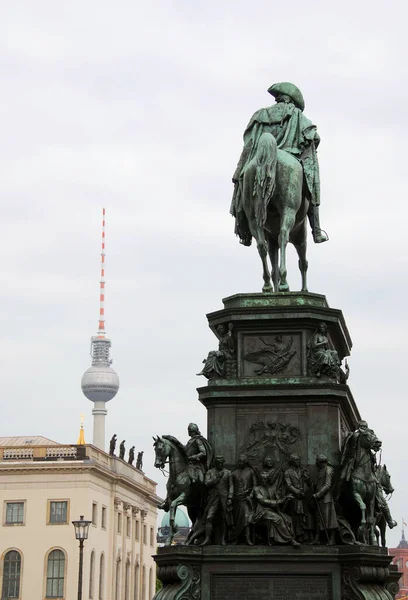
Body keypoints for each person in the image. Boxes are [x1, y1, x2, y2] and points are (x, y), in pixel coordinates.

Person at [231, 81, 328, 245]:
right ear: (291, 100)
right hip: (292, 155)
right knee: (311, 182)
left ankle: (244, 232)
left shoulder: (260, 115)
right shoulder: (296, 114)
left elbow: (249, 143)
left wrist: (240, 169)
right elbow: (314, 137)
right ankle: (316, 231)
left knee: (241, 185)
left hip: (260, 159)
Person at [252, 471, 299, 546]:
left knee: (288, 518)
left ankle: (277, 540)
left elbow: (277, 500)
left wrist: (286, 498)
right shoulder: (256, 489)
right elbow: (263, 501)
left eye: (265, 479)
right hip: (261, 512)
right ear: (260, 479)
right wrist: (280, 501)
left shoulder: (271, 489)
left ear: (268, 479)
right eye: (262, 479)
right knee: (278, 519)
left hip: (272, 510)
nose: (264, 480)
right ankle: (290, 540)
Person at [201, 456, 234, 546]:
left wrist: (230, 497)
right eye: (218, 463)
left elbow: (231, 486)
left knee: (224, 518)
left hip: (224, 497)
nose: (219, 465)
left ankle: (223, 539)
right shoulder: (210, 472)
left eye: (221, 463)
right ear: (215, 463)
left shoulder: (228, 473)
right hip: (213, 497)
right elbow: (206, 483)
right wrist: (215, 479)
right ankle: (207, 538)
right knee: (209, 517)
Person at [284, 453, 314, 542]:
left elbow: (309, 483)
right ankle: (298, 535)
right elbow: (288, 485)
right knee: (296, 517)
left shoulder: (302, 470)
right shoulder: (287, 472)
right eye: (296, 460)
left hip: (303, 497)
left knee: (305, 516)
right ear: (292, 461)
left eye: (298, 459)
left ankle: (307, 534)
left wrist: (308, 478)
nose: (298, 461)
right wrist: (297, 492)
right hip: (294, 497)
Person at [311, 454, 338, 545]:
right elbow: (317, 484)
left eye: (317, 461)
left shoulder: (328, 470)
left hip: (326, 499)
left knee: (329, 519)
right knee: (318, 519)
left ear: (320, 462)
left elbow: (327, 485)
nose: (316, 464)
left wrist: (318, 494)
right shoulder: (321, 470)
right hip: (319, 499)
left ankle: (332, 539)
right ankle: (317, 538)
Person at [231, 454, 256, 545]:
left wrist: (251, 495)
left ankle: (247, 538)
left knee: (246, 518)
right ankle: (236, 538)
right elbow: (231, 486)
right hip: (236, 500)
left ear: (245, 462)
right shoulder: (233, 473)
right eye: (238, 461)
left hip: (247, 499)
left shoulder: (250, 471)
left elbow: (255, 485)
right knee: (236, 520)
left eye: (241, 461)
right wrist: (231, 497)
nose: (239, 463)